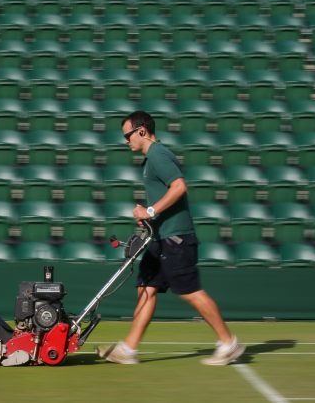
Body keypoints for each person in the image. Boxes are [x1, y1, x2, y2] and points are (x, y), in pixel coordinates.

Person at [96, 110, 245, 366]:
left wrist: (151, 210)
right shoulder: (151, 159)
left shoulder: (158, 155)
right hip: (160, 238)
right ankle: (129, 349)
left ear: (141, 130)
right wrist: (149, 216)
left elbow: (179, 186)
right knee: (146, 288)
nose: (126, 141)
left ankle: (228, 343)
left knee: (190, 292)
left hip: (176, 238)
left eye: (128, 135)